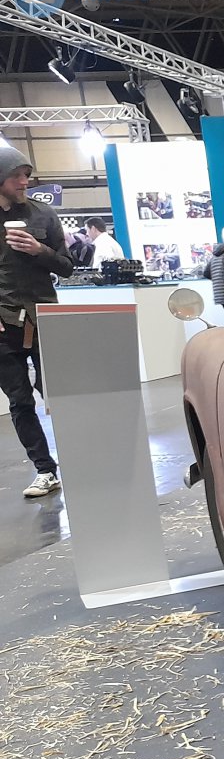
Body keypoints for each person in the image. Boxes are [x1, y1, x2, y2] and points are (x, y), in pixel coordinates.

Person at [0, 146, 74, 498]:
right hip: (4, 325)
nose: (24, 181)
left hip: (44, 317)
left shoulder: (44, 215)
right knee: (20, 402)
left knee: (59, 394)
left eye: (26, 175)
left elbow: (67, 266)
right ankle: (45, 470)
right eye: (16, 175)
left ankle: (81, 459)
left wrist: (38, 250)